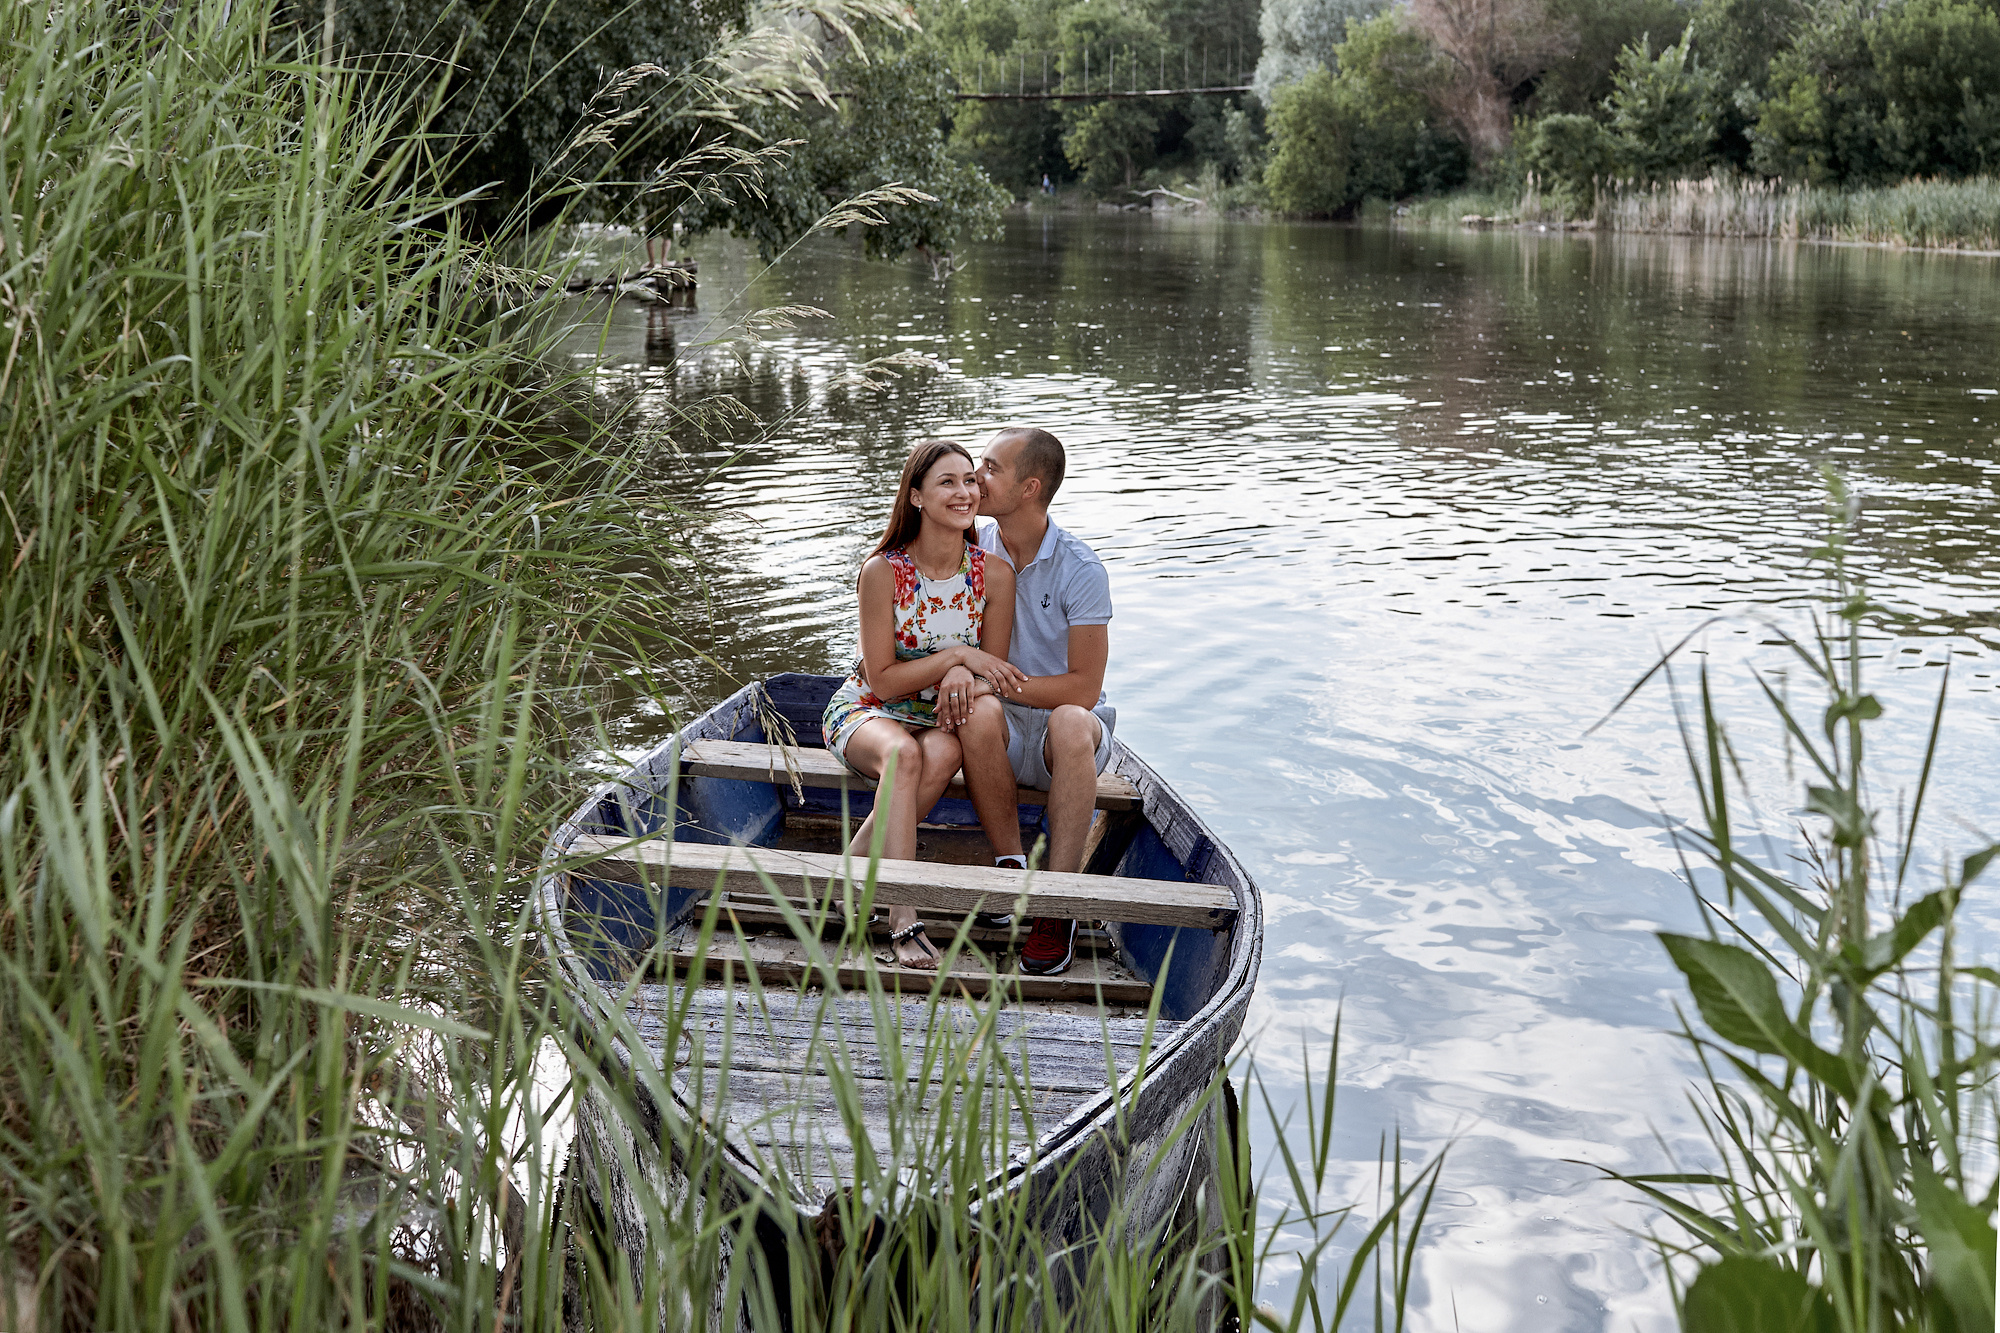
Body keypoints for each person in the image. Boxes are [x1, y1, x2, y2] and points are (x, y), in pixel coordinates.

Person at [822, 439, 1032, 969]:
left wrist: (969, 669)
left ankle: (845, 880)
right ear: (915, 496)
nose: (965, 492)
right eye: (947, 482)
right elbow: (884, 681)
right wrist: (957, 656)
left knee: (941, 754)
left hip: (937, 718)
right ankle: (902, 917)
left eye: (970, 480)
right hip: (868, 710)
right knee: (904, 757)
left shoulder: (994, 575)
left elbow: (995, 674)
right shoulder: (883, 572)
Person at [964, 426, 1115, 976]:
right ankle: (1010, 868)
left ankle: (1058, 903)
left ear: (1029, 488)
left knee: (1074, 721)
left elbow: (1084, 688)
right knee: (978, 710)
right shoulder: (969, 548)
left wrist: (994, 680)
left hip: (1062, 734)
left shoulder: (1081, 569)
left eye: (990, 468)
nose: (976, 478)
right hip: (997, 726)